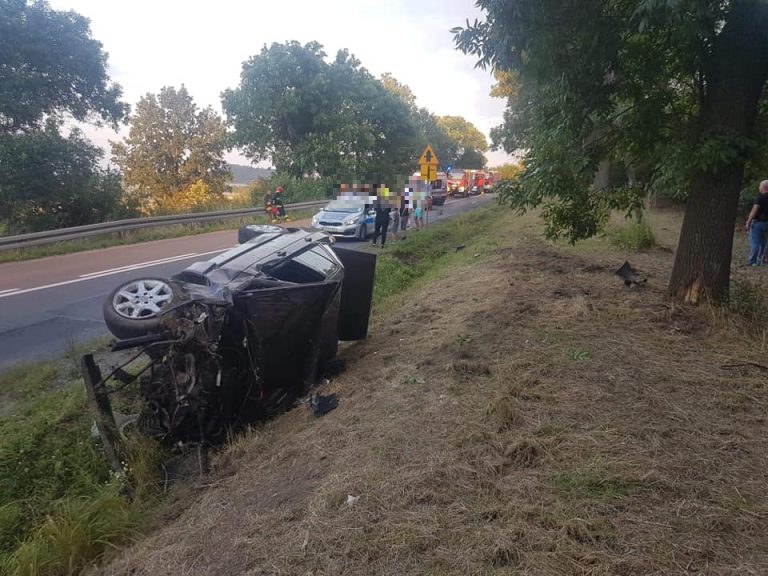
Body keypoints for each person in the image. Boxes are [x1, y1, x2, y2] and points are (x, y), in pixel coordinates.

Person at [745, 180, 768, 266]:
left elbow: (754, 211)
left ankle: (752, 261)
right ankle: (762, 260)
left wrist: (748, 222)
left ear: (764, 187)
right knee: (764, 243)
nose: (759, 188)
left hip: (758, 223)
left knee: (755, 242)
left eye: (760, 186)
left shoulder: (760, 198)